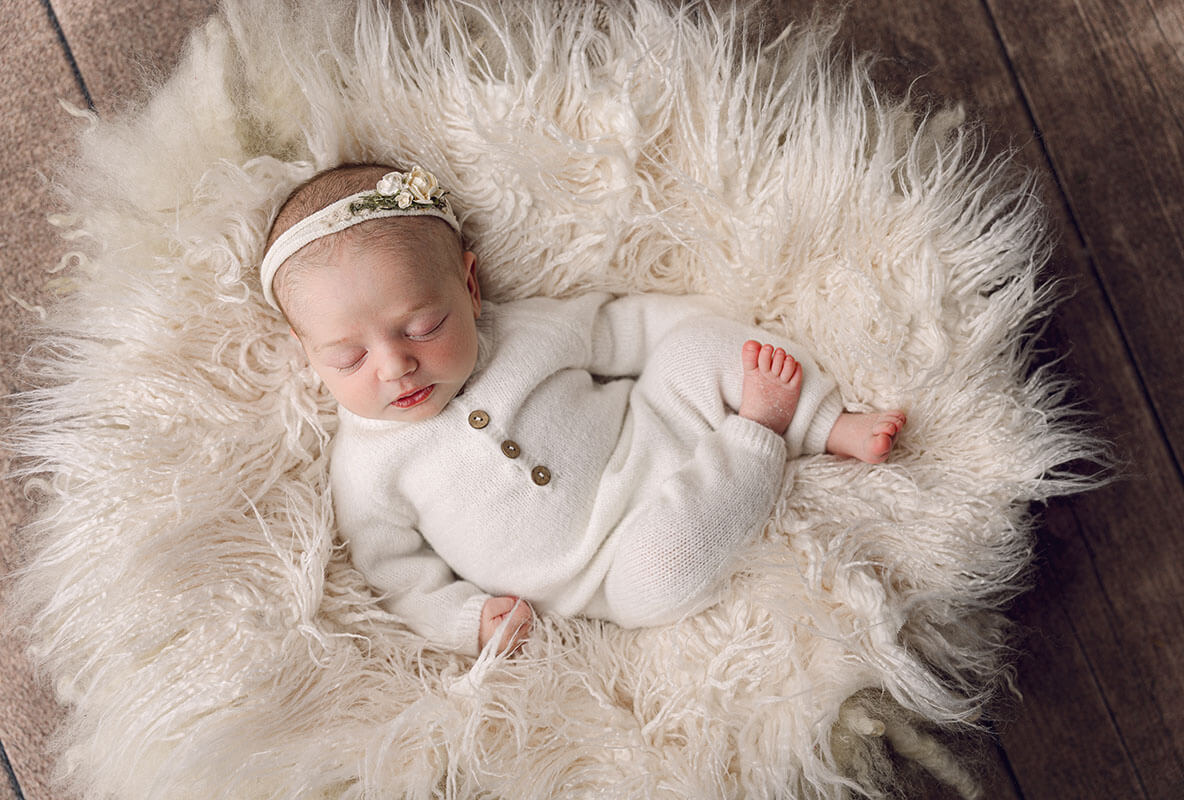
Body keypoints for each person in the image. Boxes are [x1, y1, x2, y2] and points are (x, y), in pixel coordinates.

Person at [259, 163, 906, 657]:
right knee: (662, 574)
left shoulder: (522, 334)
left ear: (470, 286)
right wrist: (468, 622)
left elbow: (627, 330)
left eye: (424, 325)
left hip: (658, 426)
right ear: (308, 354)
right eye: (347, 358)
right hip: (611, 569)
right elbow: (395, 576)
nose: (394, 364)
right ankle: (758, 435)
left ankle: (825, 423)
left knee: (695, 346)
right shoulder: (368, 469)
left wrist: (707, 348)